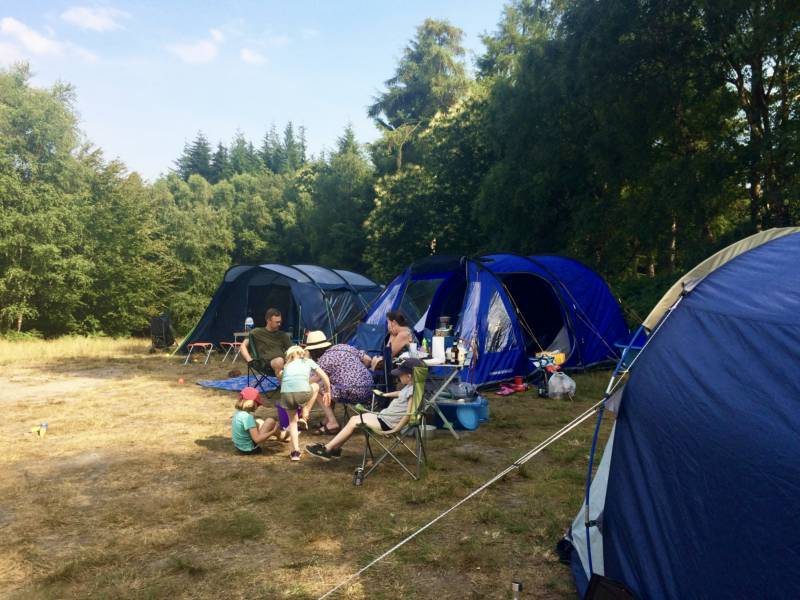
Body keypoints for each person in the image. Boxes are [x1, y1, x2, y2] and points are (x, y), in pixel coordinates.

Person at [305, 358, 425, 461]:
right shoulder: (412, 387)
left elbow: (408, 414)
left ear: (409, 376)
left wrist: (395, 429)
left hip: (388, 424)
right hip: (384, 418)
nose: (398, 376)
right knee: (354, 419)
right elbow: (400, 393)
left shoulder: (412, 392)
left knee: (353, 422)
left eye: (400, 374)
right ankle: (335, 449)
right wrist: (386, 395)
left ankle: (327, 449)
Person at [304, 330, 374, 435]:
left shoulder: (324, 360)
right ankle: (326, 420)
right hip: (369, 389)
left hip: (353, 393)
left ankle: (332, 422)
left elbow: (311, 382)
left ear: (314, 351)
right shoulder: (343, 347)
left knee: (317, 387)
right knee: (329, 384)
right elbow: (368, 360)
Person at [280, 345, 331, 461]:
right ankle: (305, 414)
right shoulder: (307, 361)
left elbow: (284, 380)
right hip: (303, 394)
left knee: (292, 422)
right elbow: (324, 376)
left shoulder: (287, 365)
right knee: (316, 386)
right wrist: (328, 391)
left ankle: (295, 453)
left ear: (290, 356)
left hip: (286, 395)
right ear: (302, 353)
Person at [239, 308, 291, 377]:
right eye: (277, 322)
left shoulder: (282, 335)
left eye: (280, 322)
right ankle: (284, 386)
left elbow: (292, 349)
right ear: (268, 321)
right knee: (279, 361)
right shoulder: (256, 332)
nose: (279, 324)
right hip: (265, 364)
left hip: (285, 363)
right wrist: (249, 359)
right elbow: (243, 346)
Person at [231, 387, 283, 455]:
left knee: (259, 421)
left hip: (239, 447)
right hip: (250, 449)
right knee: (270, 421)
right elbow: (257, 440)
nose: (257, 406)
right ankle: (281, 436)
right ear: (252, 402)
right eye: (257, 403)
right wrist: (272, 432)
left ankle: (281, 436)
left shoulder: (237, 412)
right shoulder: (247, 417)